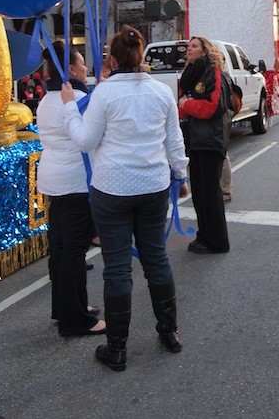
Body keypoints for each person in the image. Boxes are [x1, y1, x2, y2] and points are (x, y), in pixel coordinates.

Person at [61, 25, 189, 372]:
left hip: (112, 188)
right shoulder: (161, 91)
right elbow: (174, 141)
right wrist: (181, 175)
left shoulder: (104, 94)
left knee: (117, 268)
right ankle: (170, 331)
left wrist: (70, 109)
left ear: (114, 59)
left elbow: (85, 141)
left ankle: (117, 348)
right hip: (152, 185)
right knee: (156, 260)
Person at [36, 41, 105, 338]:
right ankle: (74, 319)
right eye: (82, 62)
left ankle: (67, 307)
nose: (87, 68)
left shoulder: (45, 99)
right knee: (73, 251)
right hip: (76, 181)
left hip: (54, 179)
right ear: (73, 69)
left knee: (62, 248)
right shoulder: (77, 99)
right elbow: (91, 137)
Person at [178, 36, 231, 255]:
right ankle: (204, 236)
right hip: (196, 141)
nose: (189, 49)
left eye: (194, 46)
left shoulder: (214, 73)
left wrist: (187, 105)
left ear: (205, 51)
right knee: (199, 194)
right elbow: (183, 107)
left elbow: (213, 107)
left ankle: (217, 242)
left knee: (210, 194)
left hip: (211, 140)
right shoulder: (189, 75)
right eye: (188, 46)